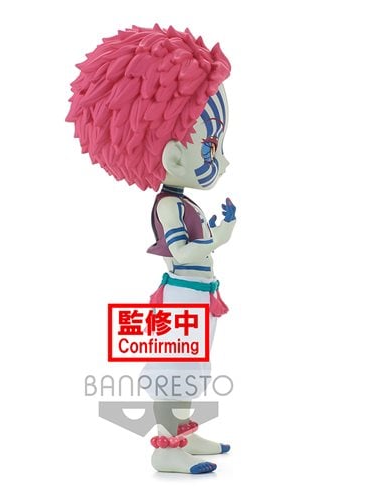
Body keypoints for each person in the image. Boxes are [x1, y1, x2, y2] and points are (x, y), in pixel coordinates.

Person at [66, 25, 237, 474]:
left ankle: (184, 434)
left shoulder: (180, 202)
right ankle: (166, 448)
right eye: (211, 145)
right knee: (175, 371)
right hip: (183, 295)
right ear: (174, 155)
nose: (223, 159)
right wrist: (218, 238)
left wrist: (215, 233)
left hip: (196, 295)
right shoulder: (168, 205)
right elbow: (181, 252)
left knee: (192, 368)